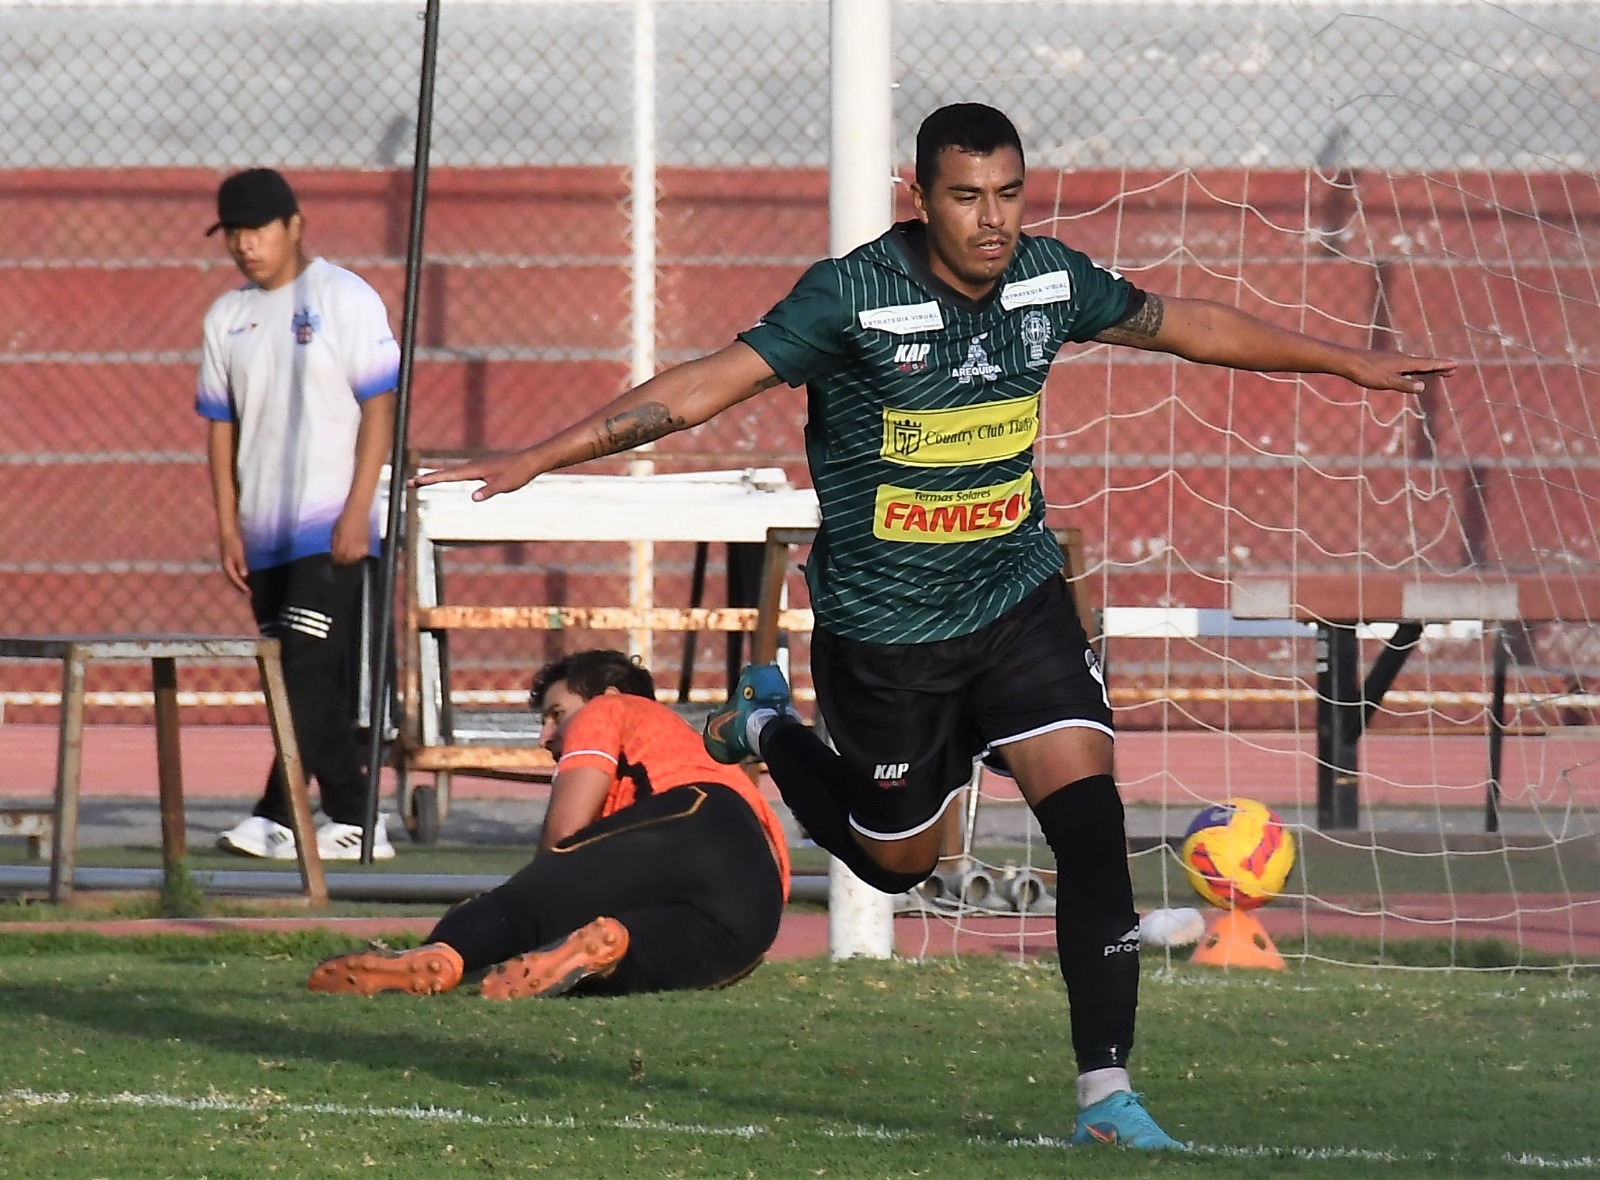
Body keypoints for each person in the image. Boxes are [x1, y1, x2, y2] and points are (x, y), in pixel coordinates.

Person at [412, 104, 1454, 1146]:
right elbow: (699, 391)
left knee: (1090, 829)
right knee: (899, 864)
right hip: (886, 642)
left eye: (1007, 193)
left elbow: (1184, 324)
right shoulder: (851, 295)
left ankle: (1106, 1099)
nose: (991, 219)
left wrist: (1341, 362)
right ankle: (768, 728)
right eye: (965, 196)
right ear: (918, 197)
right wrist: (542, 453)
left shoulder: (1050, 280)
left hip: (1015, 602)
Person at [307, 649, 791, 999]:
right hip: (756, 905)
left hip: (695, 817)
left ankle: (444, 952)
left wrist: (516, 911)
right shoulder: (692, 752)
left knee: (527, 907)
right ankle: (610, 949)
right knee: (623, 952)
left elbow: (561, 846)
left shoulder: (611, 708)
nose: (547, 737)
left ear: (608, 694)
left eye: (556, 715)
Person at [197, 167, 401, 861]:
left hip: (332, 521)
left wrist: (358, 509)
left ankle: (277, 812)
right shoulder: (227, 316)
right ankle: (355, 816)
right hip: (264, 528)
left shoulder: (344, 298)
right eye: (234, 233)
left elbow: (380, 409)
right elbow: (220, 427)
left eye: (258, 229)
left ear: (295, 225)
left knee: (307, 666)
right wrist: (228, 524)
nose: (246, 245)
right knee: (294, 669)